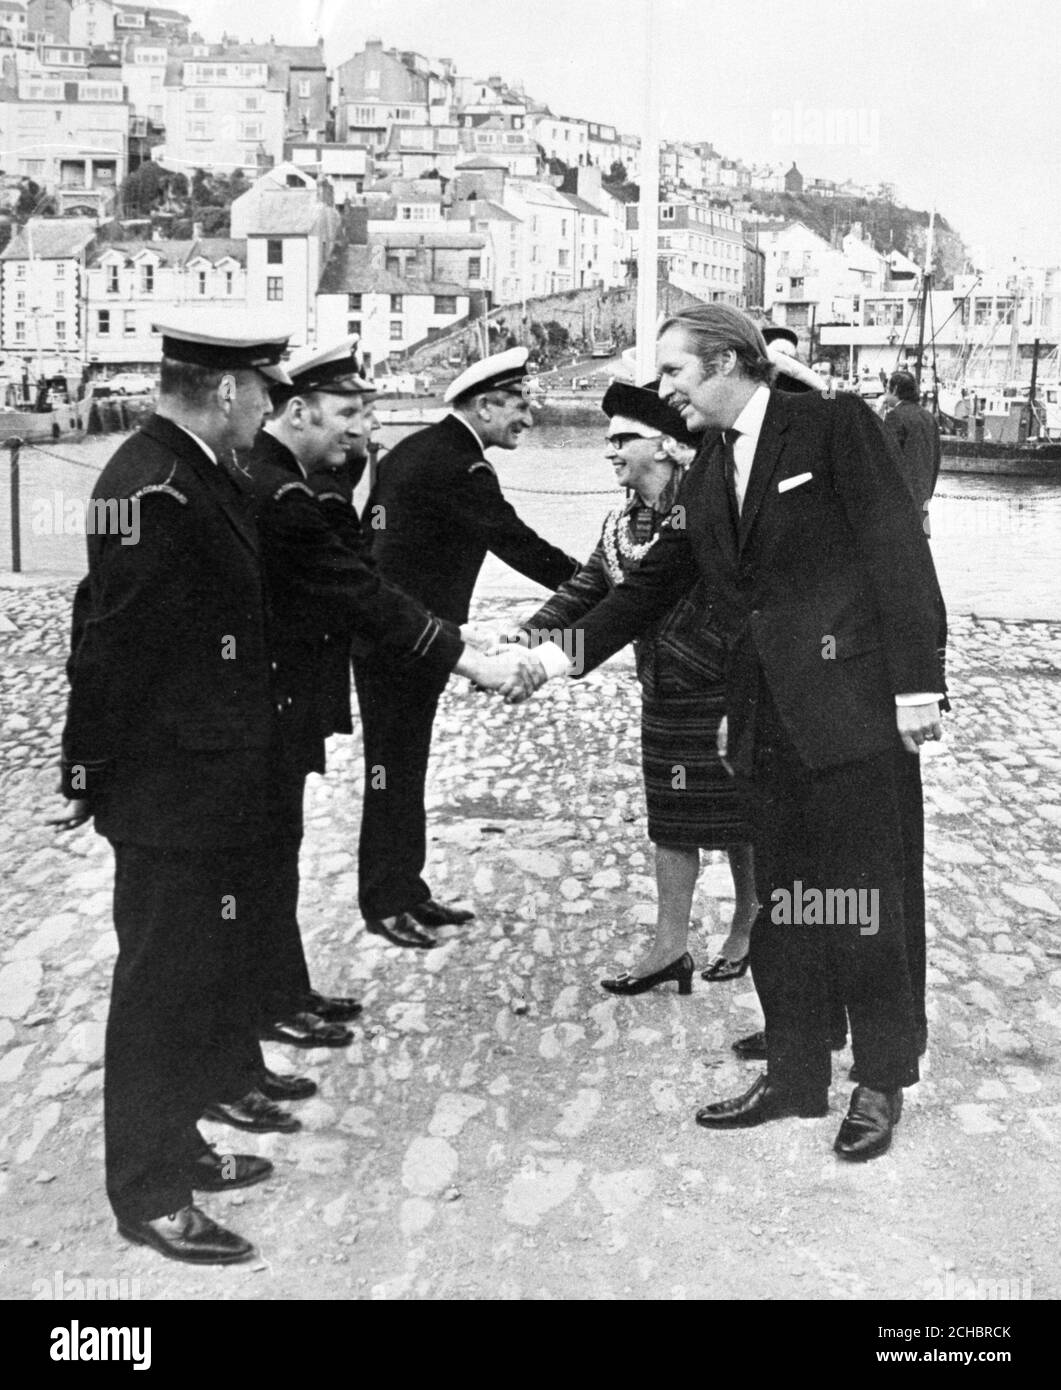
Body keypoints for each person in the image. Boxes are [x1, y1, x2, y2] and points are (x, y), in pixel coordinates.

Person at [508, 304, 946, 1163]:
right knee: (782, 899)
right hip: (760, 719)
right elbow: (646, 587)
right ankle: (794, 1068)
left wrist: (918, 686)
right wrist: (553, 659)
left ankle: (881, 1077)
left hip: (853, 710)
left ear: (724, 364)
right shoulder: (708, 463)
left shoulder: (827, 426)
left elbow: (898, 551)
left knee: (865, 899)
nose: (664, 389)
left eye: (672, 371)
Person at [214, 338, 536, 1105]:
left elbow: (360, 567)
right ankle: (265, 1011)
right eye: (350, 415)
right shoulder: (282, 492)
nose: (363, 430)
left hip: (287, 701)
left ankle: (284, 995)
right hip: (267, 703)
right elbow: (360, 588)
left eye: (367, 415)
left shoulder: (304, 477)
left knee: (273, 859)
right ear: (297, 410)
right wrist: (467, 653)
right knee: (251, 871)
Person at [57, 317, 297, 1264]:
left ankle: (180, 1147)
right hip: (169, 791)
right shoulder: (153, 484)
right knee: (157, 988)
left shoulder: (191, 467)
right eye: (265, 391)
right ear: (229, 390)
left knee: (193, 973)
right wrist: (85, 771)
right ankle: (148, 1192)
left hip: (207, 777)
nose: (272, 407)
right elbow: (106, 640)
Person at [512, 380, 755, 994]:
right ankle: (670, 947)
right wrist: (529, 637)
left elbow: (631, 601)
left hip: (722, 688)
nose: (610, 451)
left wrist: (548, 661)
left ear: (670, 447)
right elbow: (592, 589)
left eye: (623, 438)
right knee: (670, 823)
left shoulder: (710, 506)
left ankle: (750, 924)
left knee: (739, 822)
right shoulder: (624, 517)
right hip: (664, 690)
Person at [354, 347, 580, 948]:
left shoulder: (420, 450)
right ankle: (385, 899)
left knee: (401, 765)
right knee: (392, 769)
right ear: (485, 405)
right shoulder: (462, 466)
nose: (528, 418)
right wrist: (597, 586)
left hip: (401, 636)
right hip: (406, 641)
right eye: (519, 404)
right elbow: (516, 543)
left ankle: (406, 889)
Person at [884, 369, 941, 536]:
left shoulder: (895, 416)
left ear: (894, 390)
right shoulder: (929, 417)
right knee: (919, 551)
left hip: (899, 500)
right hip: (922, 496)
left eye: (887, 388)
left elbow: (887, 457)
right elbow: (936, 458)